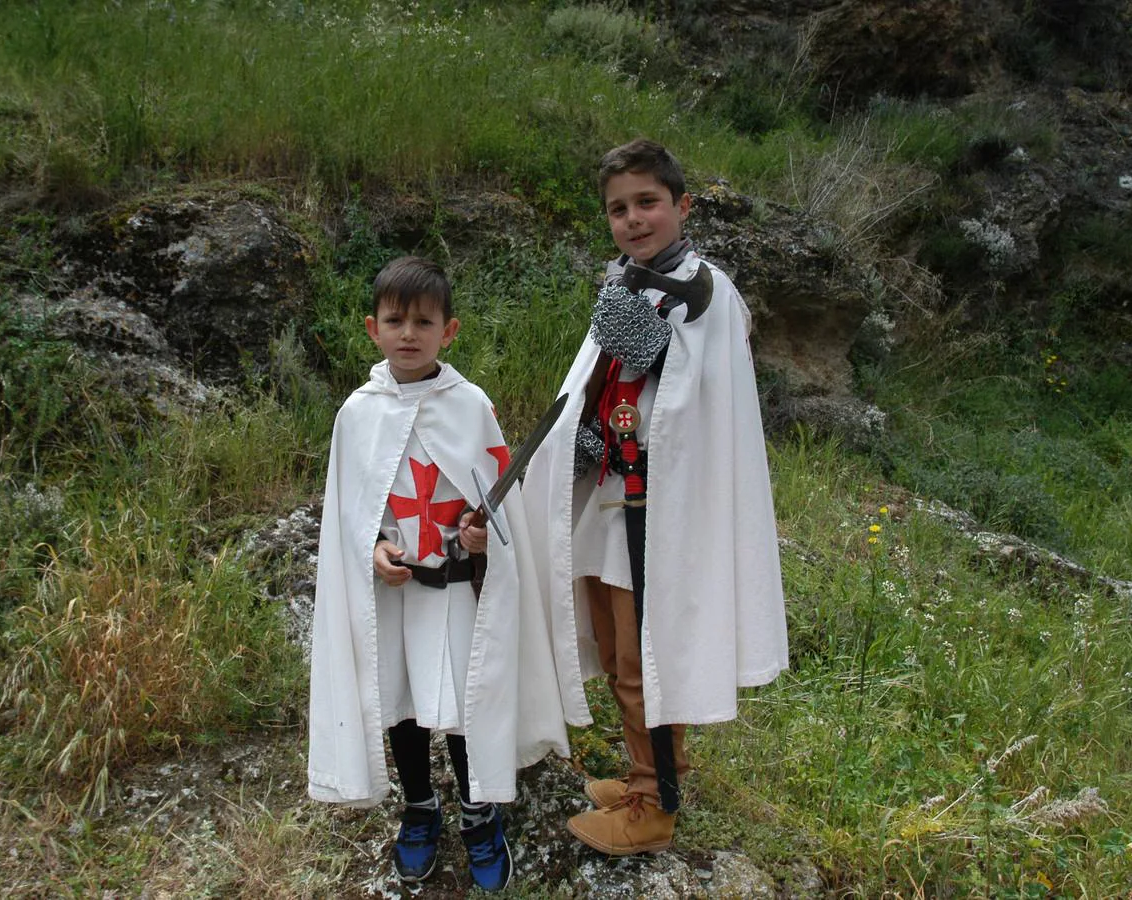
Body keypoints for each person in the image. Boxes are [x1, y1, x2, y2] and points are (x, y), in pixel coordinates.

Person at [521, 139, 788, 855]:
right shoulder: (628, 283)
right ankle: (650, 771)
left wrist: (649, 345)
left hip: (661, 505)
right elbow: (602, 389)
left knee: (644, 657)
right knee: (614, 648)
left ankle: (653, 807)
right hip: (612, 490)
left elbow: (696, 397)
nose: (634, 219)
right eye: (618, 209)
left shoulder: (708, 290)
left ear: (681, 206)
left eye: (647, 203)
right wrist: (580, 442)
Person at [307, 256, 568, 891]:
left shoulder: (471, 406)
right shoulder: (357, 413)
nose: (408, 333)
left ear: (448, 331)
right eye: (395, 320)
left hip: (453, 595)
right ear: (372, 328)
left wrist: (482, 541)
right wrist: (371, 551)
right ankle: (419, 808)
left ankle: (479, 813)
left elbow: (501, 505)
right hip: (393, 594)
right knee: (401, 707)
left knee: (456, 707)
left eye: (424, 321)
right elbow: (348, 512)